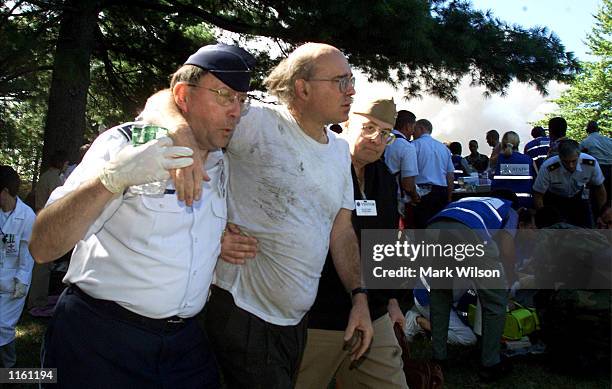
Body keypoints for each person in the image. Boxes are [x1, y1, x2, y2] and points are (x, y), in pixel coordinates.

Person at [141, 42, 373, 388]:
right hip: (241, 312)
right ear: (303, 87)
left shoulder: (340, 151)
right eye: (340, 81)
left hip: (294, 322)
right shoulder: (257, 123)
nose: (351, 90)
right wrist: (182, 134)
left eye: (351, 79)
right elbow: (164, 100)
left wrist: (359, 296)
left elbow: (340, 232)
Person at [28, 43, 257, 388]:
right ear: (183, 95)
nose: (236, 112)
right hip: (101, 337)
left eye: (242, 100)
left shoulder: (222, 162)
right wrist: (111, 180)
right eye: (224, 96)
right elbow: (42, 246)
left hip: (184, 342)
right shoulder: (126, 145)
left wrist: (214, 240)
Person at [295, 98, 408, 389]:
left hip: (374, 312)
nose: (376, 138)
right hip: (320, 315)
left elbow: (387, 241)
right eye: (368, 127)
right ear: (345, 123)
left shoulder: (382, 175)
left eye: (385, 134)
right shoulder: (317, 165)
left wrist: (392, 299)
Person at [427, 194, 519, 381]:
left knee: (440, 295)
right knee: (495, 302)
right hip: (470, 233)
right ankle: (491, 363)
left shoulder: (472, 201)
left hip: (433, 229)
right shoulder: (510, 210)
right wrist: (508, 277)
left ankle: (438, 358)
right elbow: (508, 251)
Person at [0, 166, 36, 368]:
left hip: (14, 282)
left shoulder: (27, 216)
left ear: (5, 192)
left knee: (3, 326)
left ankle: (9, 368)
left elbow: (27, 253)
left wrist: (21, 281)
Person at [28, 150, 69, 317]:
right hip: (46, 222)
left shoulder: (46, 176)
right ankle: (36, 301)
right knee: (42, 267)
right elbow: (61, 202)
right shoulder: (53, 179)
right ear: (61, 163)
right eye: (65, 163)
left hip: (40, 218)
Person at [533, 139, 607, 228]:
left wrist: (603, 216)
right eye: (566, 162)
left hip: (577, 198)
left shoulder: (590, 163)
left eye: (574, 161)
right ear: (560, 157)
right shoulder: (548, 167)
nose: (570, 165)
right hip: (554, 200)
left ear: (579, 155)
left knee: (587, 230)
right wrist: (544, 217)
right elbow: (538, 195)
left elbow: (600, 189)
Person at [412, 119, 454, 228]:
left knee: (420, 229)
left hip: (421, 193)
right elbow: (450, 175)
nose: (412, 132)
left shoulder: (413, 146)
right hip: (442, 192)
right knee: (438, 228)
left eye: (414, 129)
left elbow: (409, 172)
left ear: (421, 128)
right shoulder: (444, 148)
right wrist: (449, 197)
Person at [383, 109, 419, 228]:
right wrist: (415, 196)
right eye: (413, 127)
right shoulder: (406, 147)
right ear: (408, 126)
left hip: (378, 195)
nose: (413, 131)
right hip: (397, 201)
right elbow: (408, 185)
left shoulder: (382, 140)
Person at [491, 131, 537, 208]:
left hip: (502, 205)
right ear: (518, 143)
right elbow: (536, 182)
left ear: (503, 143)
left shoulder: (497, 160)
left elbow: (489, 177)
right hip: (525, 204)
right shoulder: (528, 160)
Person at [580, 120, 612, 206]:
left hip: (598, 171)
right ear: (598, 130)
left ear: (587, 131)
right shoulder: (609, 140)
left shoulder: (584, 142)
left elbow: (579, 158)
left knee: (597, 199)